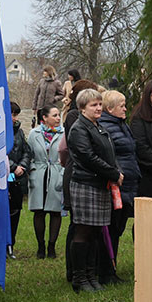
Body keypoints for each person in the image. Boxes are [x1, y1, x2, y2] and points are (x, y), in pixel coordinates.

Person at [67, 89, 123, 293]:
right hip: (85, 184)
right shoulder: (78, 129)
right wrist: (113, 173)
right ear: (82, 108)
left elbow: (108, 153)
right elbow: (87, 157)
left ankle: (91, 275)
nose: (98, 108)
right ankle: (79, 278)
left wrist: (115, 170)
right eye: (93, 105)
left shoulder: (97, 126)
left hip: (100, 184)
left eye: (100, 104)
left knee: (96, 232)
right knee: (83, 231)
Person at [98, 90, 141, 285]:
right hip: (117, 186)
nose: (125, 108)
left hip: (129, 184)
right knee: (112, 229)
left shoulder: (121, 125)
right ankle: (106, 271)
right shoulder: (106, 127)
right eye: (121, 105)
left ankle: (111, 270)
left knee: (118, 228)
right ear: (110, 109)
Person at [61, 79, 100, 282]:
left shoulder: (95, 122)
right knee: (78, 227)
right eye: (94, 102)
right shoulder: (75, 119)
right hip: (79, 175)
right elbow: (84, 153)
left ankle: (88, 272)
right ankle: (75, 273)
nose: (98, 106)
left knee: (86, 228)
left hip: (90, 177)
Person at [28, 105, 65, 259]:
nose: (58, 118)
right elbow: (28, 153)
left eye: (59, 115)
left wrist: (63, 172)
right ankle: (40, 246)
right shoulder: (33, 133)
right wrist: (31, 170)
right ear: (44, 118)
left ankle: (52, 246)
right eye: (55, 115)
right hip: (39, 174)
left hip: (57, 173)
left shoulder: (64, 133)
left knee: (55, 211)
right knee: (39, 211)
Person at [7, 101, 32, 259]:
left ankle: (11, 245)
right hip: (5, 177)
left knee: (15, 213)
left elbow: (26, 151)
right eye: (12, 114)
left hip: (18, 178)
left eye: (16, 114)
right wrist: (12, 166)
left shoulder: (20, 132)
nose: (15, 118)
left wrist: (22, 166)